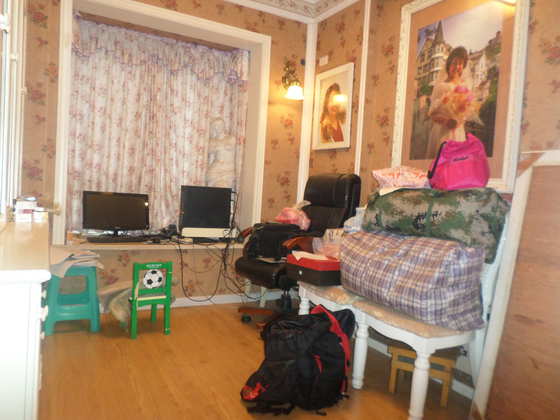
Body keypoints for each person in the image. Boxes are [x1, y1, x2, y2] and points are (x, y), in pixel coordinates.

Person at [426, 46, 474, 158]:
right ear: (449, 65)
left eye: (460, 64)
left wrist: (461, 119)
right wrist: (446, 121)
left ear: (464, 66)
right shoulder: (441, 86)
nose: (457, 67)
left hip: (458, 133)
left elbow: (467, 111)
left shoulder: (465, 87)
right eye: (454, 63)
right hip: (442, 132)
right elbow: (431, 113)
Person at [206, 117, 235, 188]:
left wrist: (218, 146)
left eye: (220, 125)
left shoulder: (230, 138)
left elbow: (229, 147)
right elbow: (210, 151)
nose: (218, 127)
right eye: (216, 126)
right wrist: (221, 146)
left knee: (223, 187)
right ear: (214, 128)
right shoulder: (212, 141)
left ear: (224, 126)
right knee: (210, 182)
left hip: (227, 167)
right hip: (216, 166)